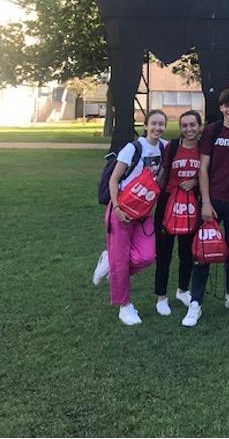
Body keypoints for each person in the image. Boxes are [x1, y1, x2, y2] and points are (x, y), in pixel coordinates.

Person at [92, 109, 168, 326]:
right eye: (153, 123)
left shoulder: (164, 147)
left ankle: (111, 265)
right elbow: (114, 180)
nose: (157, 128)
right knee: (121, 260)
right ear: (145, 126)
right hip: (122, 210)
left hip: (144, 213)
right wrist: (116, 207)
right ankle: (125, 306)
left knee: (146, 256)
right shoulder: (132, 148)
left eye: (161, 124)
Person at [182, 89, 229, 327]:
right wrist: (207, 202)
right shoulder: (213, 130)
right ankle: (196, 302)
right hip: (213, 201)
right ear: (221, 108)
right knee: (202, 252)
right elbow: (203, 169)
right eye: (226, 106)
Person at [154, 110, 202, 317]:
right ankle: (161, 297)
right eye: (185, 125)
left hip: (191, 206)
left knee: (186, 252)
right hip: (168, 203)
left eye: (193, 125)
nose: (189, 129)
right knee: (164, 253)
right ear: (180, 128)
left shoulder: (204, 149)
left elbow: (209, 175)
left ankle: (182, 289)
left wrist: (196, 181)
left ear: (199, 126)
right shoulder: (172, 147)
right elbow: (163, 173)